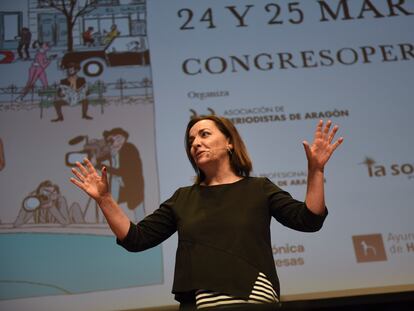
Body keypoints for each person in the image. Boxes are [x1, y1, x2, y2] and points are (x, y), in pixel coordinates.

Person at [70, 115, 343, 310]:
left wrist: (315, 171)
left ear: (229, 143)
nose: (196, 143)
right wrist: (105, 199)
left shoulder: (258, 189)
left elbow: (309, 220)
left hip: (252, 299)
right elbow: (136, 239)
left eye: (204, 134)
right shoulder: (183, 198)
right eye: (191, 141)